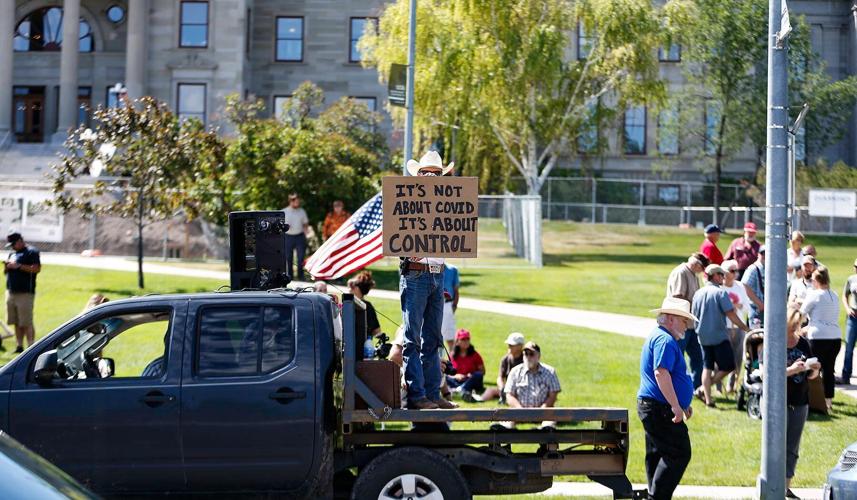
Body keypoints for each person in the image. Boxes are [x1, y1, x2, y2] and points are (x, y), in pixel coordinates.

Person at [400, 150, 455, 410]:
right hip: (415, 273)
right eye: (427, 174)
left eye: (436, 174)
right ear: (418, 175)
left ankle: (433, 393)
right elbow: (396, 236)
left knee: (433, 337)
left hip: (437, 273)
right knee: (413, 338)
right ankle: (417, 395)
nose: (431, 178)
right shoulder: (407, 201)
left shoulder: (448, 202)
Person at [637, 296, 696, 500]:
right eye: (684, 321)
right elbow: (661, 373)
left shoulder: (662, 337)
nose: (687, 326)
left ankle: (654, 495)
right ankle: (656, 498)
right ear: (671, 319)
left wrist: (680, 403)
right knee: (679, 452)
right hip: (660, 408)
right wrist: (675, 407)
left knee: (657, 454)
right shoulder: (665, 339)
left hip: (655, 407)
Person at [762, 306, 820, 498]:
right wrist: (792, 370)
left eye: (798, 323)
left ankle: (786, 488)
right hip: (777, 403)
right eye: (793, 324)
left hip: (800, 401)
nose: (795, 328)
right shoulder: (773, 341)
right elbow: (765, 375)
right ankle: (772, 485)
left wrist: (814, 370)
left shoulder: (803, 343)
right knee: (775, 447)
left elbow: (811, 375)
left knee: (792, 447)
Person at [691, 264, 750, 407]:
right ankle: (701, 390)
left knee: (708, 367)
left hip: (702, 336)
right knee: (729, 366)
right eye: (721, 275)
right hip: (718, 336)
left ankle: (708, 398)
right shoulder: (720, 293)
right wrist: (744, 327)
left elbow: (693, 314)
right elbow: (731, 314)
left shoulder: (698, 293)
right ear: (715, 276)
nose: (723, 277)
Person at [800, 266, 841, 413]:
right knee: (829, 371)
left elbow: (801, 314)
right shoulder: (834, 295)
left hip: (818, 337)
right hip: (835, 337)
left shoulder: (814, 295)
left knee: (812, 368)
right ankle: (828, 402)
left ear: (817, 280)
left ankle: (809, 399)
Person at [666, 252, 709, 390]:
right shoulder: (681, 272)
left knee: (697, 358)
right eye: (702, 269)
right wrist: (696, 305)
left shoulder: (692, 274)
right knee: (678, 357)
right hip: (679, 323)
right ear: (697, 264)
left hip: (691, 324)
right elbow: (677, 297)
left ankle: (695, 388)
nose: (702, 272)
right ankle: (676, 387)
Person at [721, 259, 763, 393]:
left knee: (738, 357)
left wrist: (736, 306)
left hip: (738, 326)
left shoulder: (739, 287)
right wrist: (731, 306)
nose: (736, 274)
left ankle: (732, 385)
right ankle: (718, 385)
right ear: (725, 273)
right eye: (732, 271)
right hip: (723, 326)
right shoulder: (719, 288)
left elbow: (746, 306)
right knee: (722, 357)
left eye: (736, 270)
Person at [501, 341, 561, 429]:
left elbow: (553, 395)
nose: (528, 357)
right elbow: (509, 395)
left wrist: (543, 408)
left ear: (538, 356)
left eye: (531, 354)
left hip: (544, 412)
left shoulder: (550, 372)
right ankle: (506, 435)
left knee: (549, 423)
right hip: (518, 412)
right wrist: (519, 408)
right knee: (506, 423)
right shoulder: (515, 371)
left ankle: (543, 433)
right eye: (526, 354)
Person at [4, 232, 41, 353]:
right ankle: (19, 346)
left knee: (26, 321)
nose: (12, 247)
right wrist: (7, 267)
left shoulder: (31, 252)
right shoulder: (12, 253)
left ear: (20, 241)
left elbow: (36, 269)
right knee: (16, 321)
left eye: (13, 244)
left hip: (25, 293)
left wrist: (18, 266)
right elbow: (8, 270)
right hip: (11, 291)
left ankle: (31, 347)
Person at [480, 332, 525, 403]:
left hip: (522, 389)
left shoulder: (526, 359)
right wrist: (502, 387)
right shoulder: (505, 359)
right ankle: (479, 400)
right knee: (490, 390)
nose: (509, 346)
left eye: (512, 345)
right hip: (508, 388)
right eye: (509, 344)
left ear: (520, 346)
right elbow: (500, 377)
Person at [446, 329, 485, 402]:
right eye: (463, 339)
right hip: (456, 380)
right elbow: (447, 372)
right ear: (457, 342)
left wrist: (470, 375)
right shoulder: (452, 355)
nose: (466, 341)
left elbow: (482, 371)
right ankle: (461, 390)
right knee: (443, 376)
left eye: (468, 339)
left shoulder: (475, 355)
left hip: (469, 380)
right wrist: (456, 376)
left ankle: (459, 390)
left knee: (478, 375)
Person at [283, 193, 310, 281]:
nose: (297, 202)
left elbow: (305, 224)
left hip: (299, 236)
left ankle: (300, 276)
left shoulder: (302, 211)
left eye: (298, 200)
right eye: (295, 200)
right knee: (288, 257)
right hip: (288, 237)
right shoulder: (284, 211)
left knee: (301, 257)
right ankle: (290, 276)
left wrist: (307, 234)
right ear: (290, 201)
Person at [348, 271, 381, 337]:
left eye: (351, 287)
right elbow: (377, 331)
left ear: (357, 289)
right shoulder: (368, 305)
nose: (349, 289)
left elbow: (377, 331)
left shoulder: (348, 305)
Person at [840, 258, 857, 385]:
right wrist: (847, 308)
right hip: (853, 316)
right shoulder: (851, 279)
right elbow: (844, 295)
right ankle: (846, 375)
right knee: (849, 346)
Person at [741, 246, 766, 327]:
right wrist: (759, 304)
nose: (765, 256)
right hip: (756, 310)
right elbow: (745, 285)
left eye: (767, 254)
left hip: (766, 309)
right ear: (758, 254)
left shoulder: (768, 268)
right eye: (763, 254)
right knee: (757, 336)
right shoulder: (753, 268)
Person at [441, 263, 460, 350]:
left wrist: (454, 306)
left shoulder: (453, 270)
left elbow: (456, 290)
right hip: (432, 305)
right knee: (435, 336)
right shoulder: (429, 268)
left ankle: (453, 361)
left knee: (450, 336)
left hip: (447, 304)